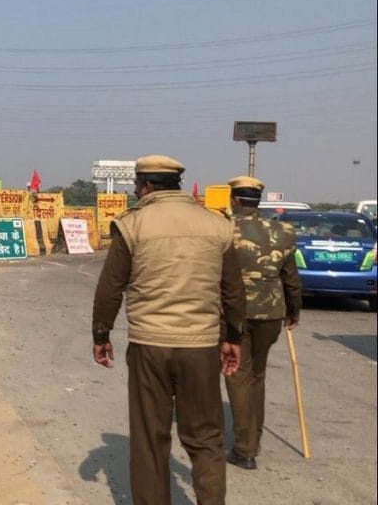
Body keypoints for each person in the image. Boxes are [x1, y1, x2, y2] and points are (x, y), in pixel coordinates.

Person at [91, 155, 246, 505]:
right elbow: (233, 292)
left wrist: (101, 336)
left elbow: (109, 289)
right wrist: (233, 339)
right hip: (202, 346)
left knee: (150, 439)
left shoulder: (133, 224)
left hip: (149, 346)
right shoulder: (217, 225)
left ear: (145, 186)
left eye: (136, 187)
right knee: (206, 438)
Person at [224, 176, 302, 471]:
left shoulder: (223, 228)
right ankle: (253, 439)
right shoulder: (282, 230)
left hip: (234, 313)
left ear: (234, 199)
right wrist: (293, 310)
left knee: (237, 375)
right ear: (258, 200)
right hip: (271, 312)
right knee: (257, 374)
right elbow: (290, 276)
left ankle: (245, 449)